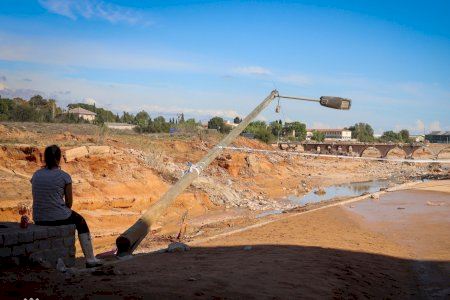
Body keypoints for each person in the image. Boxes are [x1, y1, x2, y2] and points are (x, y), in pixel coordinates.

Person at [31, 145, 102, 268]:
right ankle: (90, 259)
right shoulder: (64, 176)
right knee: (80, 221)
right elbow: (69, 203)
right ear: (59, 158)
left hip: (39, 217)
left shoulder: (36, 175)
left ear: (45, 159)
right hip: (57, 216)